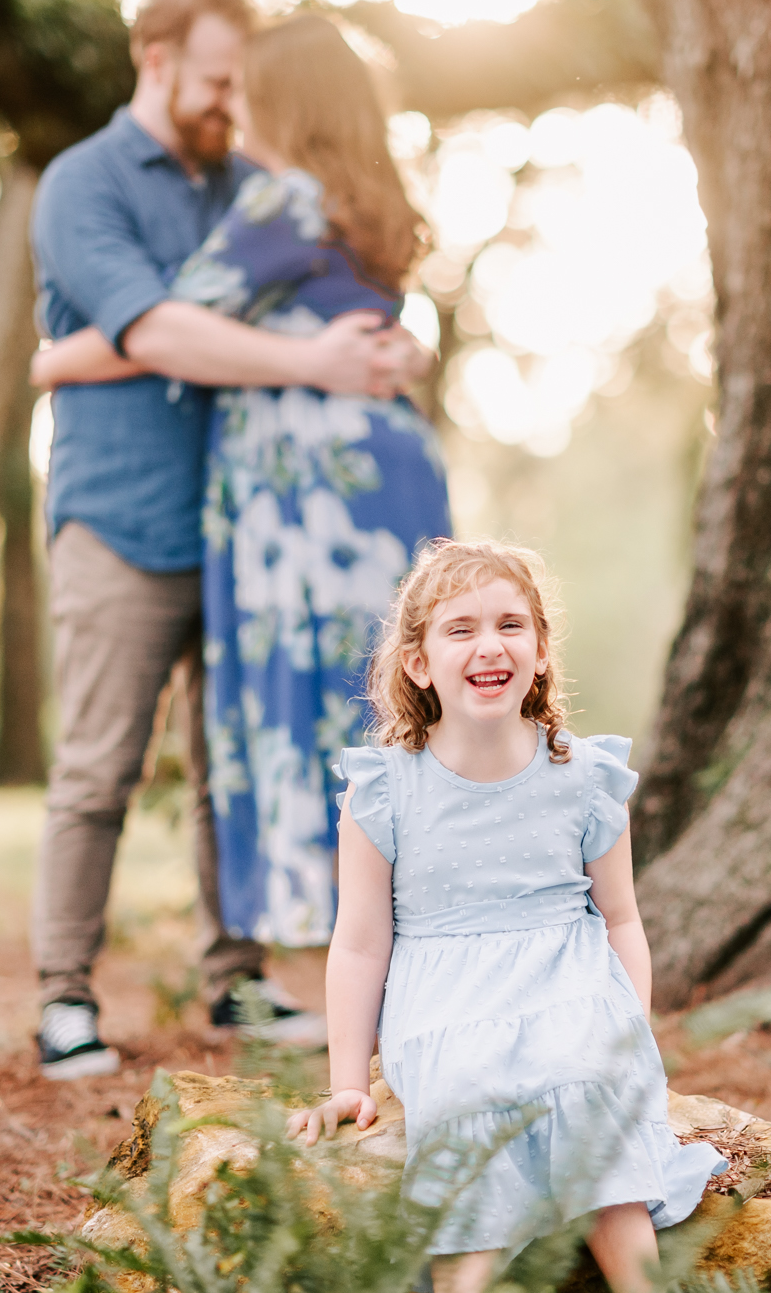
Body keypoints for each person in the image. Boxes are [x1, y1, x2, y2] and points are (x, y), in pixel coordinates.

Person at [32, 16, 450, 1037]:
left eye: (244, 84)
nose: (229, 102)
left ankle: (238, 975)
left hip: (262, 519)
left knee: (237, 747)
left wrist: (57, 358)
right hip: (130, 513)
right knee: (102, 762)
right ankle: (62, 993)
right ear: (155, 56)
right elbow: (165, 326)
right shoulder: (86, 180)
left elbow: (233, 316)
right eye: (217, 81)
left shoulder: (254, 183)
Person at [283, 540, 724, 1293]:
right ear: (419, 662)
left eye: (511, 625)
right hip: (448, 993)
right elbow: (359, 944)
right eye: (461, 629)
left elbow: (619, 917)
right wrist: (348, 1080)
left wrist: (630, 1028)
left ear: (543, 651)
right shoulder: (385, 791)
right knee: (467, 1095)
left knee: (589, 1084)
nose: (490, 644)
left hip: (567, 974)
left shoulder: (584, 778)